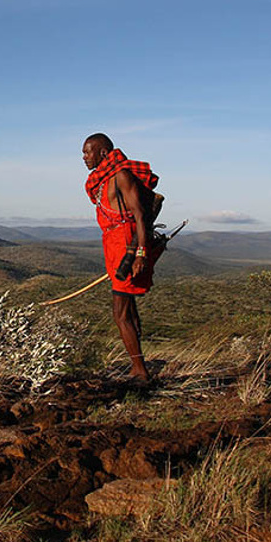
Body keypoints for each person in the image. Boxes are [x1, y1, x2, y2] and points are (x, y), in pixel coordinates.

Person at [82, 133, 162, 382]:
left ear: (103, 153)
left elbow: (139, 215)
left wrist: (139, 254)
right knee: (128, 309)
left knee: (121, 313)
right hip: (114, 245)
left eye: (88, 152)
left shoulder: (121, 176)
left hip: (127, 244)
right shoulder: (104, 180)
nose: (84, 158)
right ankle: (137, 366)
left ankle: (139, 370)